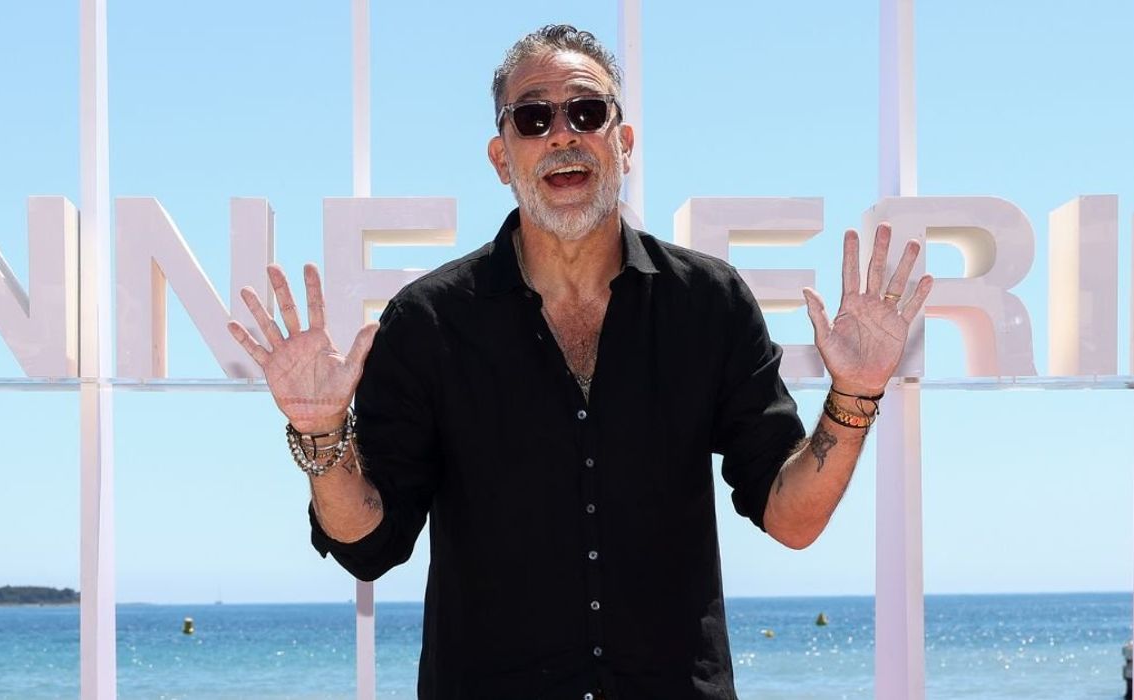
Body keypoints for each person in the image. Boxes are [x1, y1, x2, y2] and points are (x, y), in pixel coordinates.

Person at [227, 24, 932, 700]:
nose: (561, 133)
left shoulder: (706, 304)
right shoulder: (430, 322)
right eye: (531, 118)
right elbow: (368, 544)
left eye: (585, 112)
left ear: (622, 143)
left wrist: (854, 393)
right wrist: (321, 433)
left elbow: (791, 519)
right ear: (502, 157)